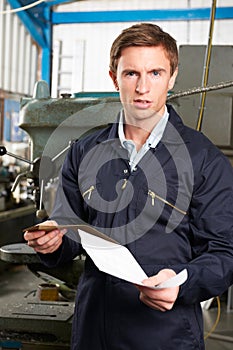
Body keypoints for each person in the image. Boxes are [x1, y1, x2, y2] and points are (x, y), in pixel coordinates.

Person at [24, 23, 233, 350]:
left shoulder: (203, 159)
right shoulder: (85, 150)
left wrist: (180, 283)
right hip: (94, 330)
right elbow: (70, 229)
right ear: (114, 78)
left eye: (155, 73)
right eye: (131, 74)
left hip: (165, 335)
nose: (143, 88)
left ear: (173, 77)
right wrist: (53, 240)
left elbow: (224, 253)